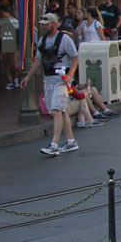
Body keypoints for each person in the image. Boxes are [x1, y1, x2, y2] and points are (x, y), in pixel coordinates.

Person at [21, 13, 79, 156]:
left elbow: (75, 57)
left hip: (61, 79)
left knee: (55, 110)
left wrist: (70, 75)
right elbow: (38, 61)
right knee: (61, 110)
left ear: (54, 24)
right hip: (48, 80)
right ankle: (71, 141)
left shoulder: (65, 39)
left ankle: (54, 144)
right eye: (42, 24)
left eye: (46, 24)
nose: (43, 26)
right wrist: (28, 76)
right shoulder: (42, 40)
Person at [0, 4, 20, 89]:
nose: (0, 14)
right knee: (6, 63)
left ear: (6, 11)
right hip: (3, 42)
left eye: (1, 12)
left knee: (13, 63)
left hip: (12, 42)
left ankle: (15, 78)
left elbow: (17, 34)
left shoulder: (15, 21)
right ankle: (10, 80)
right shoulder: (0, 21)